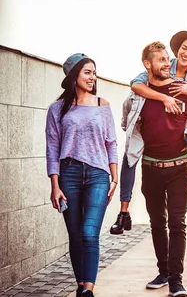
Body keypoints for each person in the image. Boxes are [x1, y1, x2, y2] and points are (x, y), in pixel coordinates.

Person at [110, 30, 187, 235]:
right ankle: (124, 212)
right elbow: (136, 84)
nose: (186, 53)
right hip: (155, 120)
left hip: (183, 124)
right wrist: (164, 98)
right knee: (130, 155)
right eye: (184, 48)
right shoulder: (164, 64)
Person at [46, 53, 119, 297]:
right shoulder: (57, 109)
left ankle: (88, 289)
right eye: (87, 72)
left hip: (98, 175)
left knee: (89, 233)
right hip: (69, 175)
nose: (92, 77)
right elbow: (52, 147)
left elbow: (111, 143)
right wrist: (54, 185)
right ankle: (81, 288)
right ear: (73, 75)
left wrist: (114, 177)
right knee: (75, 235)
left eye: (94, 72)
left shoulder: (102, 104)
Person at [131, 41, 187, 296]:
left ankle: (176, 281)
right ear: (147, 64)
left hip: (179, 167)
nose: (167, 64)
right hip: (151, 168)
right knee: (157, 223)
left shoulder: (181, 89)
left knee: (177, 224)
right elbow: (129, 124)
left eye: (167, 59)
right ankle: (163, 271)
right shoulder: (138, 94)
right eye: (160, 60)